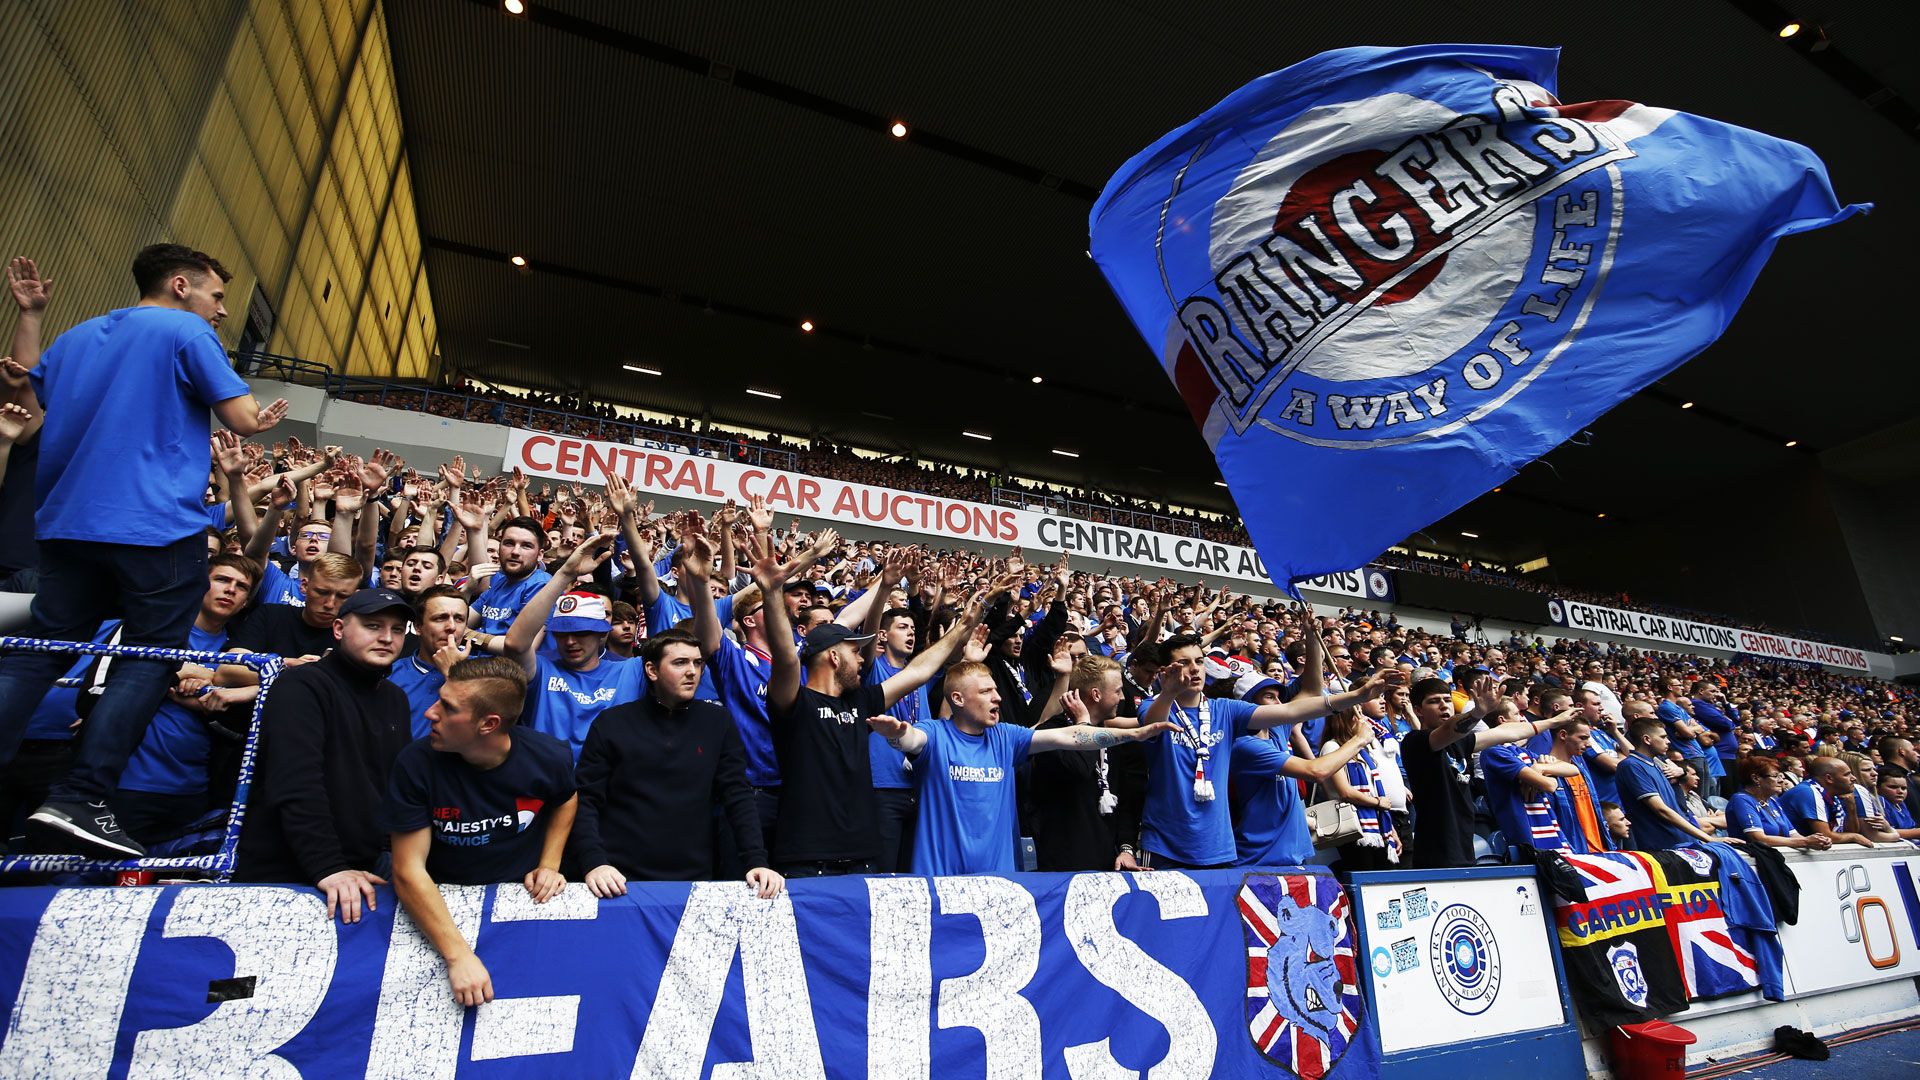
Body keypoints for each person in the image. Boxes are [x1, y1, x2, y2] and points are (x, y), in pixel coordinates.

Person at [0, 244, 288, 855]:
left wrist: (30, 317)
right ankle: (82, 795)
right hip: (151, 523)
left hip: (66, 522)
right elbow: (239, 416)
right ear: (181, 286)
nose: (220, 312)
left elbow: (23, 388)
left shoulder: (77, 335)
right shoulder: (184, 330)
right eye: (216, 297)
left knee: (39, 651)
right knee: (152, 654)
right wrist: (257, 421)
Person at [758, 520, 988, 877]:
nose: (864, 658)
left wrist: (961, 629)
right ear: (833, 656)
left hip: (862, 855)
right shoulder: (795, 702)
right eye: (855, 652)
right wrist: (772, 593)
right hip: (805, 857)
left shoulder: (861, 701)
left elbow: (918, 672)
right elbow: (787, 658)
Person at [385, 657, 578, 1008]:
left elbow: (566, 798)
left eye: (447, 707)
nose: (430, 713)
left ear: (488, 724)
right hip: (439, 904)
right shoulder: (416, 764)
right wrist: (458, 956)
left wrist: (550, 863)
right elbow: (407, 870)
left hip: (517, 903)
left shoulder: (548, 757)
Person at [865, 662, 1172, 876]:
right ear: (957, 698)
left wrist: (1134, 735)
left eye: (996, 690)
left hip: (1001, 881)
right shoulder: (934, 733)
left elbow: (1069, 736)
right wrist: (897, 734)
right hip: (940, 880)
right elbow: (912, 739)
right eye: (986, 692)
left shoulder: (1007, 737)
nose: (997, 697)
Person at [1133, 634, 1397, 870]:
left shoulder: (1224, 709)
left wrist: (1358, 696)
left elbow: (1293, 710)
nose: (1194, 669)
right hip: (1164, 843)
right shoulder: (1152, 705)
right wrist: (1167, 692)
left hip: (1216, 845)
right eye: (1184, 663)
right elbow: (1152, 726)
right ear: (1165, 670)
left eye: (1199, 662)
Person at [234, 588, 415, 923]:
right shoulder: (301, 686)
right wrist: (328, 866)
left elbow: (394, 788)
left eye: (398, 630)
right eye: (373, 626)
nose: (387, 638)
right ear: (338, 629)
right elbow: (295, 783)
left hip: (362, 869)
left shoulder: (395, 699)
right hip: (292, 873)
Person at [572, 629, 784, 896]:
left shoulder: (718, 721)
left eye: (697, 662)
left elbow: (737, 794)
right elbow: (587, 799)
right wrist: (594, 862)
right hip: (618, 879)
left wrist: (756, 861)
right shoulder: (612, 723)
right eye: (680, 662)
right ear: (651, 670)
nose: (693, 671)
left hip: (694, 877)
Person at [110, 554, 260, 842]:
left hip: (194, 790)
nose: (231, 589)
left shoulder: (239, 648)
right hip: (131, 782)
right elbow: (112, 681)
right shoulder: (157, 632)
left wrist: (209, 682)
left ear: (246, 602)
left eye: (241, 587)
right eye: (222, 580)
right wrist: (176, 671)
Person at [1401, 675, 1578, 869]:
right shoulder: (1415, 742)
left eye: (1447, 700)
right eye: (1434, 702)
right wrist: (1477, 713)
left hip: (1464, 842)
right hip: (1436, 848)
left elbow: (1507, 732)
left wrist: (1553, 722)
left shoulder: (1461, 742)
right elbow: (1450, 729)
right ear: (1418, 710)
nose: (1444, 706)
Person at [498, 533, 647, 760]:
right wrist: (565, 573)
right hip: (543, 783)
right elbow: (515, 643)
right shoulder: (543, 668)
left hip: (603, 787)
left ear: (602, 633)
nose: (569, 641)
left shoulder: (630, 671)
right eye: (562, 633)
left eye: (581, 633)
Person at [1229, 672, 1374, 868]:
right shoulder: (1245, 746)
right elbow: (1316, 772)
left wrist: (1313, 641)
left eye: (1279, 697)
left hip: (1290, 853)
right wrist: (1359, 740)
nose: (1279, 703)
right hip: (1260, 856)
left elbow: (1312, 691)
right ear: (1248, 705)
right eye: (1269, 697)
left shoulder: (1276, 730)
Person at [1614, 717, 1722, 850]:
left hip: (1680, 842)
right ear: (1647, 739)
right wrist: (1709, 839)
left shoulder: (1657, 765)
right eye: (1663, 737)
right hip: (1661, 846)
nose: (1668, 741)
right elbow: (1661, 810)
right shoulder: (1632, 766)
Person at [1317, 705, 1402, 870]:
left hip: (1375, 825)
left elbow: (1373, 789)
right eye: (1359, 715)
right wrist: (1377, 802)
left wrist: (1390, 829)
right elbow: (1345, 791)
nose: (1364, 720)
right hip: (1352, 826)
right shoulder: (1332, 747)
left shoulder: (1362, 751)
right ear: (1348, 720)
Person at [386, 585, 470, 739]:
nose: (451, 627)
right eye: (440, 618)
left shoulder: (485, 671)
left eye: (459, 619)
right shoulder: (390, 674)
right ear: (418, 626)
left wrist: (454, 672)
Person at [466, 515, 552, 647]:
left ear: (540, 555)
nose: (515, 552)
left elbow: (521, 647)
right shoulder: (501, 581)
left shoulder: (542, 585)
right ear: (500, 547)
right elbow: (460, 622)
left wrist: (467, 635)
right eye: (509, 543)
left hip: (506, 666)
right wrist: (467, 590)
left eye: (526, 546)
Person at [1542, 716, 1613, 854]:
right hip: (1576, 854)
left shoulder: (1581, 769)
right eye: (1583, 738)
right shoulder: (1547, 770)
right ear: (1563, 735)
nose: (1589, 744)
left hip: (1600, 850)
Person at [1726, 757, 1829, 851]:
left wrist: (1817, 841)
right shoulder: (1741, 800)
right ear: (1756, 778)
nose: (1781, 781)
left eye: (1780, 776)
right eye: (1775, 776)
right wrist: (1805, 842)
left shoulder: (1772, 800)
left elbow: (1793, 834)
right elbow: (1758, 838)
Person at [1779, 757, 1877, 848]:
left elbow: (1848, 832)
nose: (1854, 778)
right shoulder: (1808, 792)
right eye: (1847, 774)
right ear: (1829, 778)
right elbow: (1825, 836)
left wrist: (1851, 806)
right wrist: (1854, 837)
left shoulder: (1832, 793)